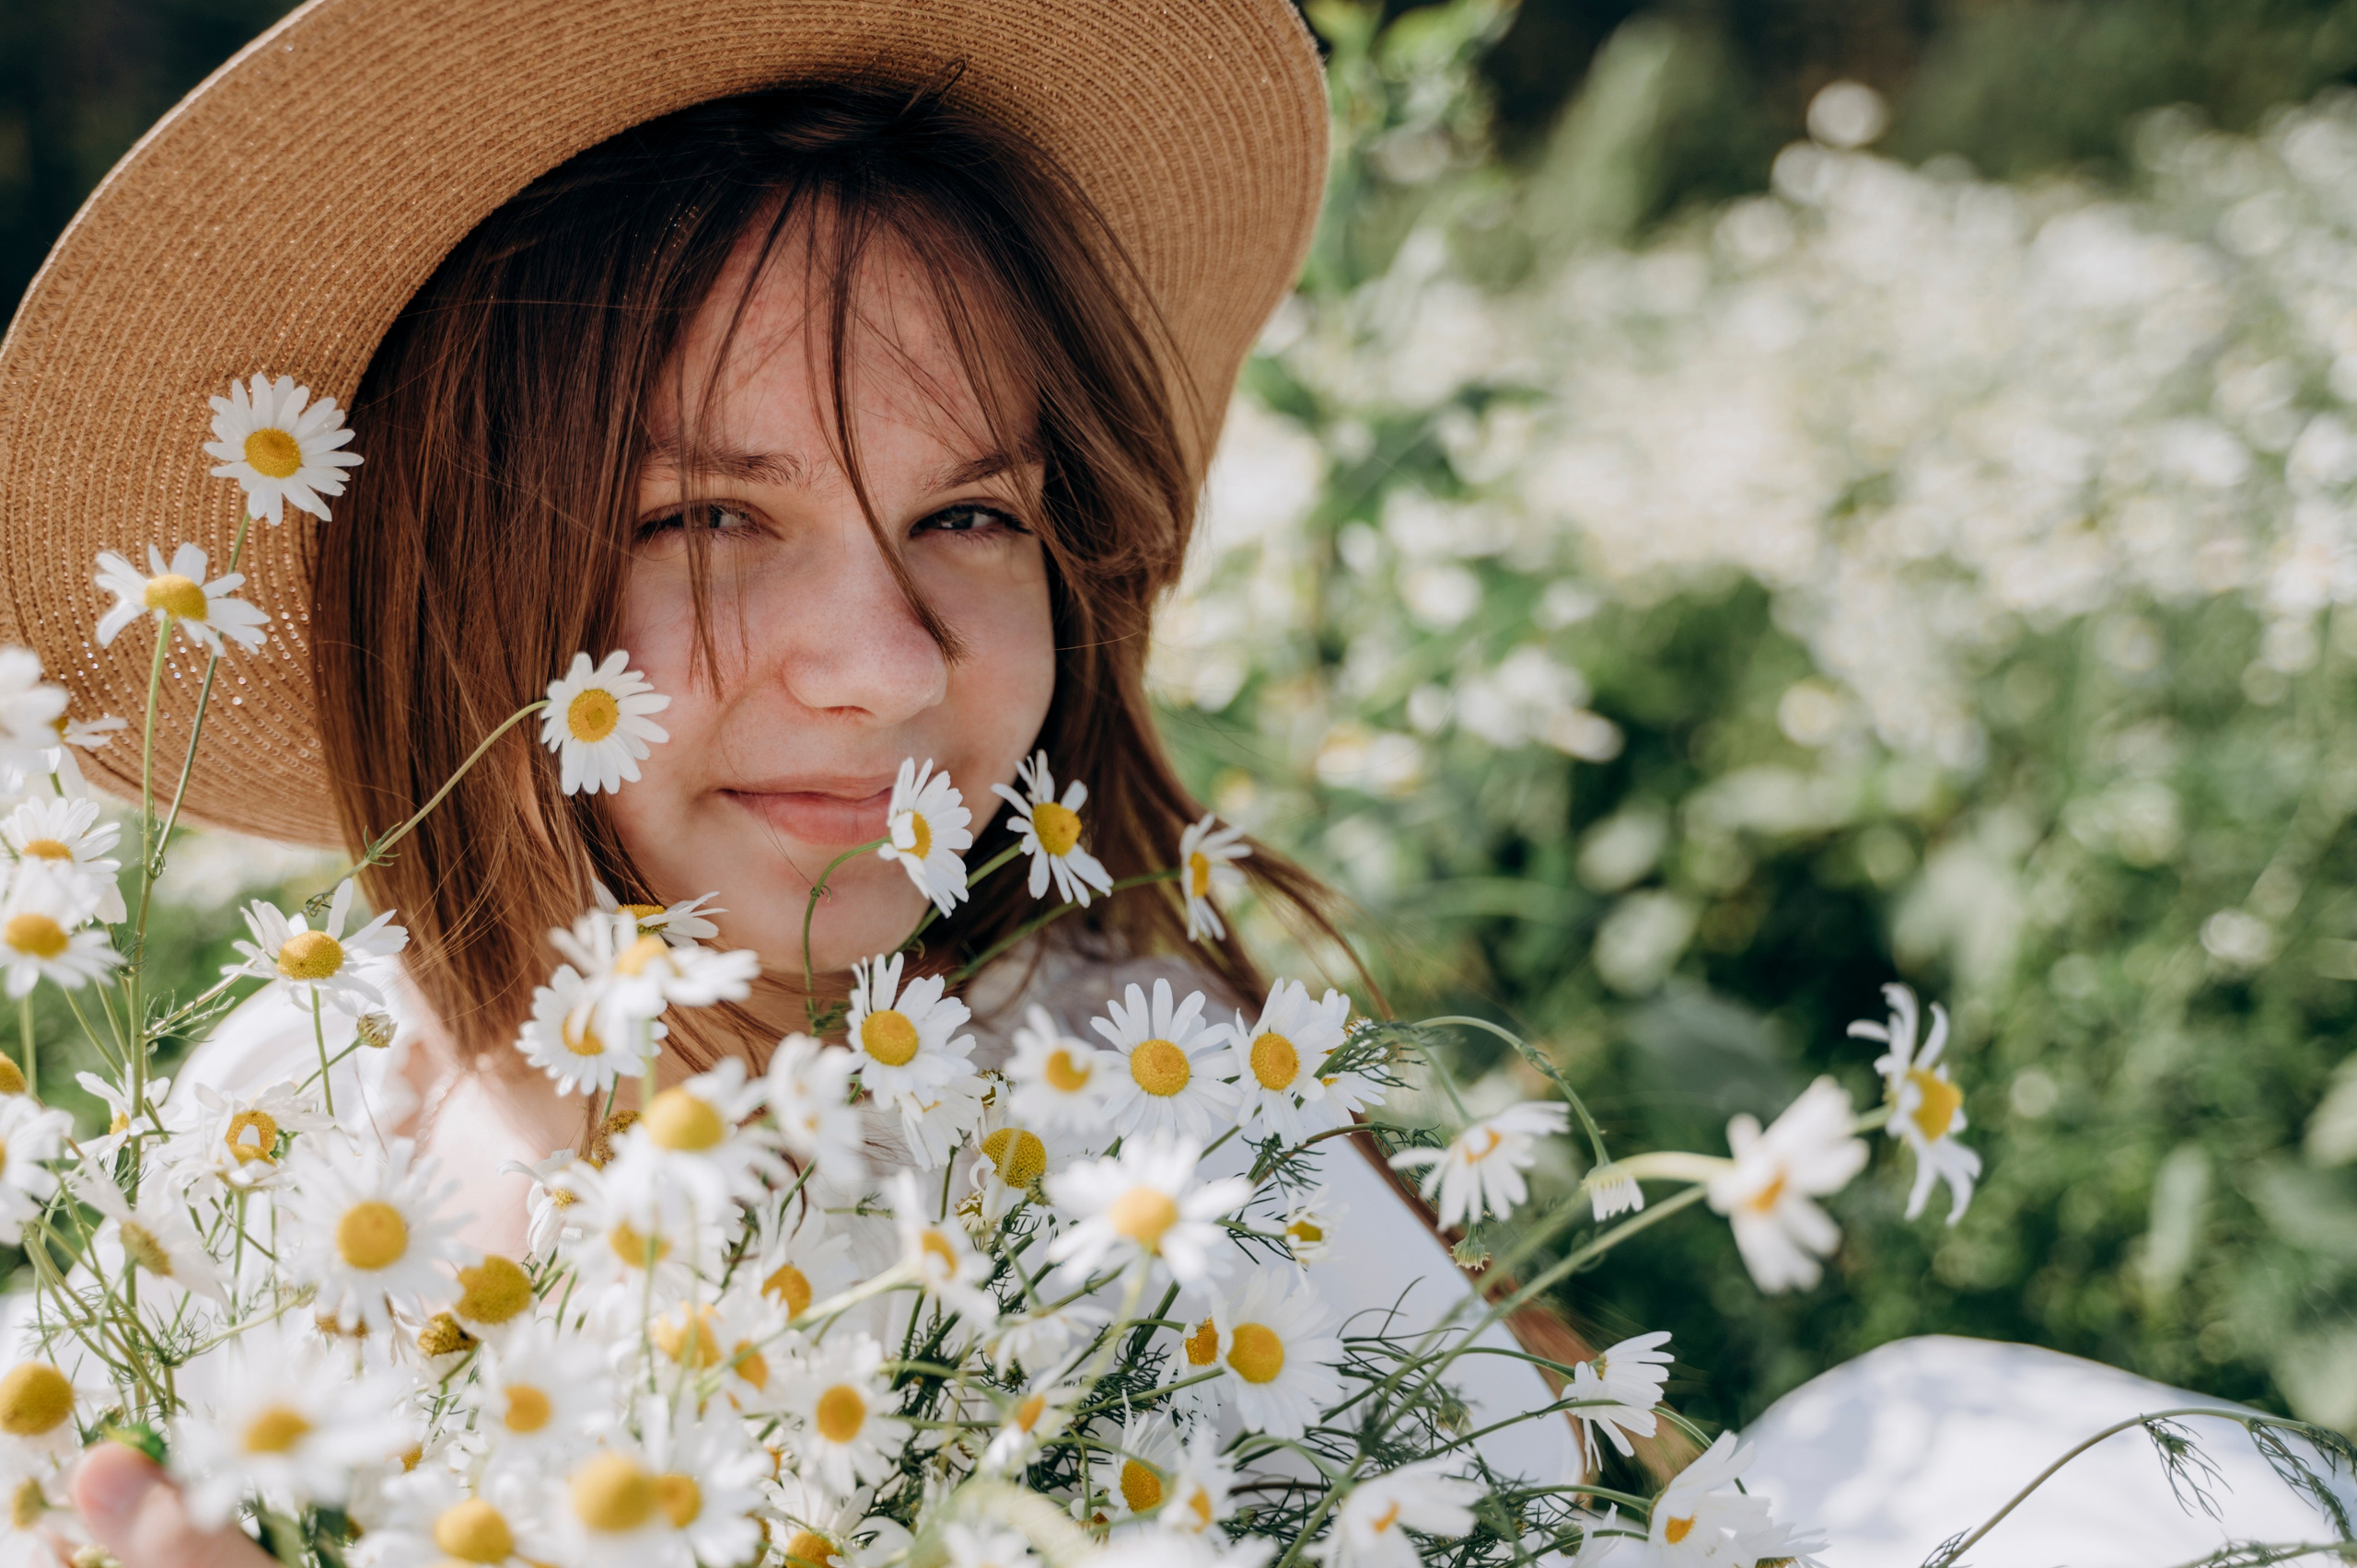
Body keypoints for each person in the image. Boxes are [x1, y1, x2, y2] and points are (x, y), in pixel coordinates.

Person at [0, 4, 2348, 1567]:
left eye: (970, 518)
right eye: (699, 519)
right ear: (444, 575)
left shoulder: (1142, 1126)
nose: (883, 659)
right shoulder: (260, 1157)